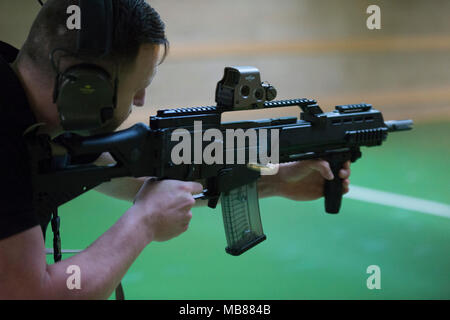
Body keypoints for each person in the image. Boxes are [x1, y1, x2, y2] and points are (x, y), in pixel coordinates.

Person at [0, 0, 351, 299]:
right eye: (139, 86)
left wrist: (277, 181)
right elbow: (28, 293)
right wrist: (144, 222)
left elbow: (132, 175)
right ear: (87, 85)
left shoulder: (29, 113)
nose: (140, 100)